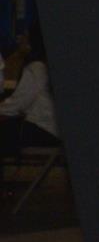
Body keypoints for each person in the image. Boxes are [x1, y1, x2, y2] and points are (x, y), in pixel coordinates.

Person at [0, 27, 56, 170]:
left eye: (25, 36)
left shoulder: (36, 68)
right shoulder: (46, 65)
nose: (20, 39)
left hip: (42, 130)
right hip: (51, 129)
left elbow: (16, 105)